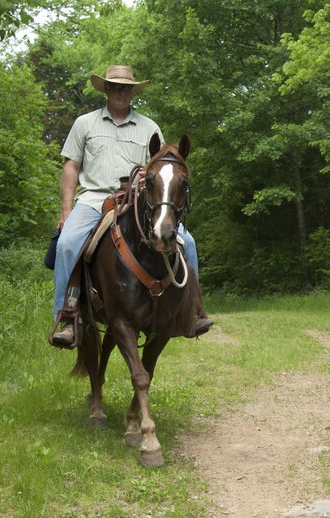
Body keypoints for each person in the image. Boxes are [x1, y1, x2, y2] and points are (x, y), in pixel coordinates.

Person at [51, 65, 212, 347]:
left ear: (132, 91)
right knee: (67, 244)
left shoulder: (149, 127)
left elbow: (163, 167)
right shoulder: (85, 123)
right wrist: (66, 210)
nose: (120, 92)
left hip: (138, 199)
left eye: (126, 87)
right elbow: (71, 166)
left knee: (189, 242)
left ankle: (192, 313)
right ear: (106, 90)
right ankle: (67, 318)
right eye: (115, 86)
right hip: (92, 200)